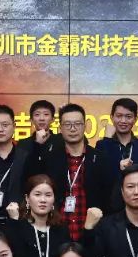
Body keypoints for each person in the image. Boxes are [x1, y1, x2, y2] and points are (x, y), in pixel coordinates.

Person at [27, 102, 112, 240]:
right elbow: (30, 183)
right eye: (67, 124)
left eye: (77, 124)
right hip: (56, 232)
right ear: (60, 127)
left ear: (85, 126)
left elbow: (108, 198)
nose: (73, 129)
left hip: (91, 232)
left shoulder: (100, 158)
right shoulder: (50, 158)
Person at [3, 175, 75, 257]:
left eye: (48, 195)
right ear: (27, 198)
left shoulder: (61, 229)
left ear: (54, 199)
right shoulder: (17, 225)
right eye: (37, 194)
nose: (43, 200)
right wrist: (15, 222)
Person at [95, 98, 138, 185]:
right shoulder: (102, 145)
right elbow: (100, 175)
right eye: (119, 116)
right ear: (112, 117)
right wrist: (107, 140)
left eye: (128, 117)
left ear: (135, 119)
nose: (123, 121)